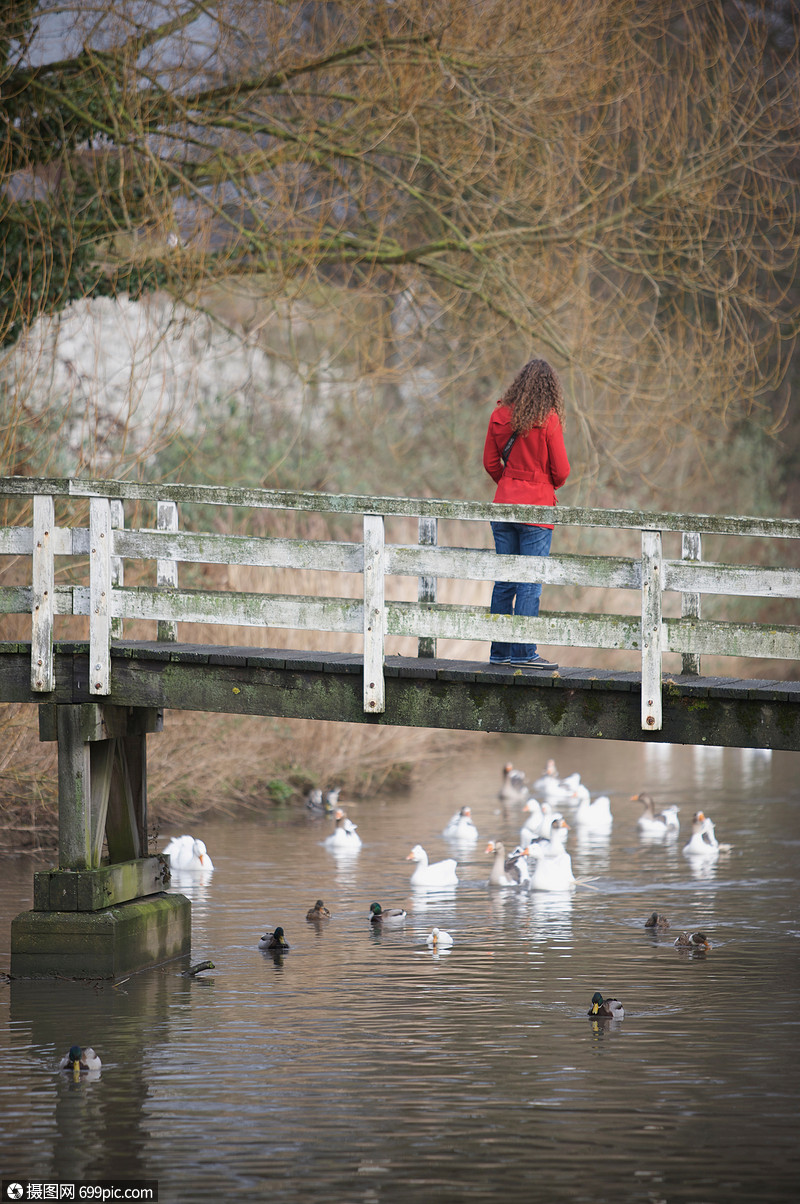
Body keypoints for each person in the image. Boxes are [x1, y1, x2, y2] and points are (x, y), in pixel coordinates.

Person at [482, 358, 570, 668]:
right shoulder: (548, 420)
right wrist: (542, 484)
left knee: (505, 581)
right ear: (549, 389)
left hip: (504, 506)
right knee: (530, 582)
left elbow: (491, 463)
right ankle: (524, 654)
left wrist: (508, 484)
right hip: (537, 511)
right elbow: (561, 471)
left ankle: (499, 653)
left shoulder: (498, 416)